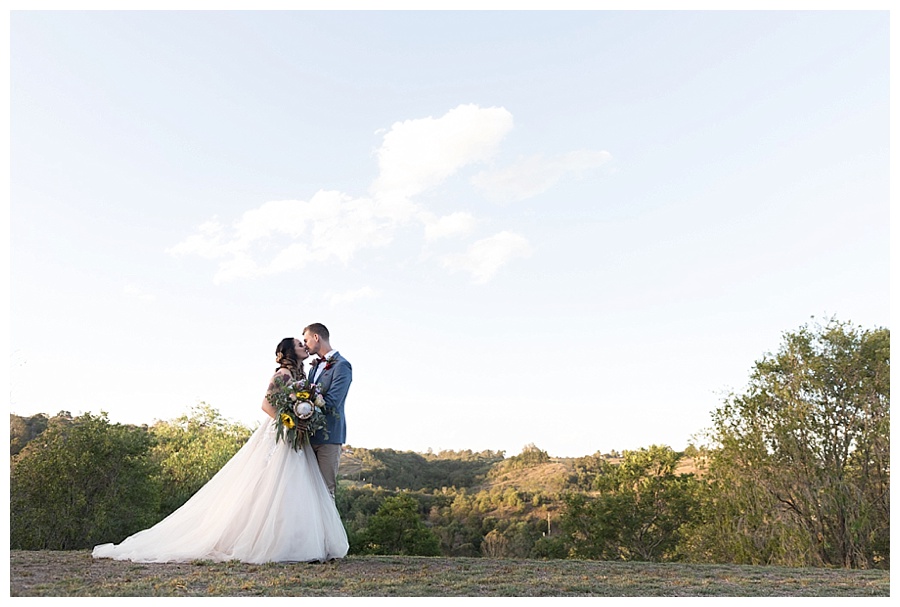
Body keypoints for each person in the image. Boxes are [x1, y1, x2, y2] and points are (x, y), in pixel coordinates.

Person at [91, 337, 349, 564]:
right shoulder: (282, 374)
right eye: (300, 344)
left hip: (297, 438)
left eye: (304, 342)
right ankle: (264, 541)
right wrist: (289, 422)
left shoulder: (302, 376)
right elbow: (266, 404)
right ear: (290, 352)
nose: (304, 346)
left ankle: (296, 543)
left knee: (293, 489)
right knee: (272, 487)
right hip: (281, 435)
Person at [301, 323, 352, 499]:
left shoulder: (342, 366)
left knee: (325, 491)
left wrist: (305, 409)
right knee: (306, 491)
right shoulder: (313, 368)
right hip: (308, 437)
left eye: (306, 340)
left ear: (316, 337)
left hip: (329, 436)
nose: (305, 345)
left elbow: (333, 402)